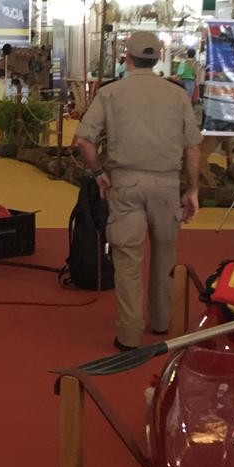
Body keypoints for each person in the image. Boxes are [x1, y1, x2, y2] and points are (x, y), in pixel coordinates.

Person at [74, 31, 202, 351]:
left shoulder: (111, 93)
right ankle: (161, 322)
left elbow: (83, 141)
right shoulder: (177, 95)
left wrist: (98, 173)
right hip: (167, 185)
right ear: (158, 57)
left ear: (126, 58)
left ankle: (129, 333)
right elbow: (193, 148)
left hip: (126, 183)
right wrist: (193, 190)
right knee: (164, 255)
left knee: (128, 259)